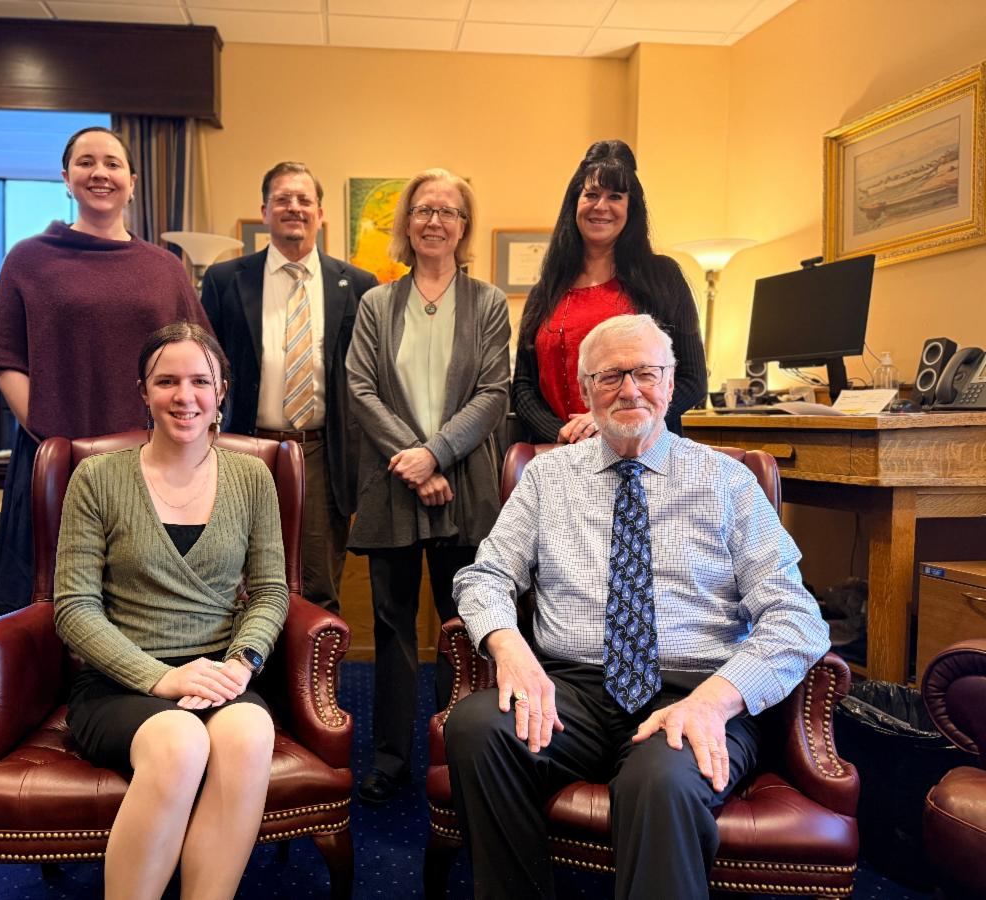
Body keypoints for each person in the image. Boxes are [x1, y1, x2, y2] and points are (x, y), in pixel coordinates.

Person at [445, 314, 829, 900]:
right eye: (610, 376)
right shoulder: (547, 478)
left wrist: (713, 702)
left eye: (646, 373)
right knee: (478, 728)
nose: (630, 390)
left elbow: (796, 618)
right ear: (586, 390)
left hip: (695, 690)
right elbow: (485, 576)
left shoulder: (728, 482)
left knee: (661, 779)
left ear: (670, 384)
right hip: (571, 691)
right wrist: (509, 649)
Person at [54, 322, 288, 900]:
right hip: (119, 683)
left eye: (200, 381)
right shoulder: (97, 477)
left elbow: (270, 591)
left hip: (218, 675)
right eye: (167, 382)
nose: (185, 396)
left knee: (250, 732)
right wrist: (160, 678)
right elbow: (74, 609)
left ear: (221, 390)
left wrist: (242, 662)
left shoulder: (253, 477)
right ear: (143, 391)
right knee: (181, 741)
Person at [0, 125, 210, 609]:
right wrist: (54, 438)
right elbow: (6, 360)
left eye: (112, 163)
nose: (99, 173)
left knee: (145, 605)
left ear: (133, 181)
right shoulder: (28, 259)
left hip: (150, 465)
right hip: (58, 460)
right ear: (66, 179)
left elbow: (200, 363)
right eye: (85, 162)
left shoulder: (165, 268)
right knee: (53, 604)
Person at [346, 168, 511, 806]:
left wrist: (435, 454)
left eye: (448, 211)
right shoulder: (376, 304)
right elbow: (360, 388)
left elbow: (493, 393)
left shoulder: (488, 303)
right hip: (393, 484)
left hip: (465, 485)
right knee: (391, 626)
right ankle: (390, 759)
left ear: (464, 226)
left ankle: (454, 755)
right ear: (406, 223)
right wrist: (413, 459)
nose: (434, 221)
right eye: (423, 210)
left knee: (461, 626)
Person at [201, 161, 377, 614]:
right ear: (264, 211)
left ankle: (314, 663)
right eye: (282, 199)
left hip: (320, 453)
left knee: (317, 587)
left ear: (320, 212)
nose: (293, 207)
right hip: (244, 450)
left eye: (304, 200)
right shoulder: (225, 280)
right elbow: (205, 365)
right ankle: (246, 662)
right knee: (238, 583)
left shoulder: (358, 285)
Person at [512, 139, 705, 445]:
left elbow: (692, 381)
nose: (601, 206)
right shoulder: (546, 290)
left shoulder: (662, 278)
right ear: (574, 203)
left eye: (615, 196)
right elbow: (523, 388)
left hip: (642, 452)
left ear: (631, 208)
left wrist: (607, 422)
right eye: (591, 194)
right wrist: (565, 434)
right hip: (562, 452)